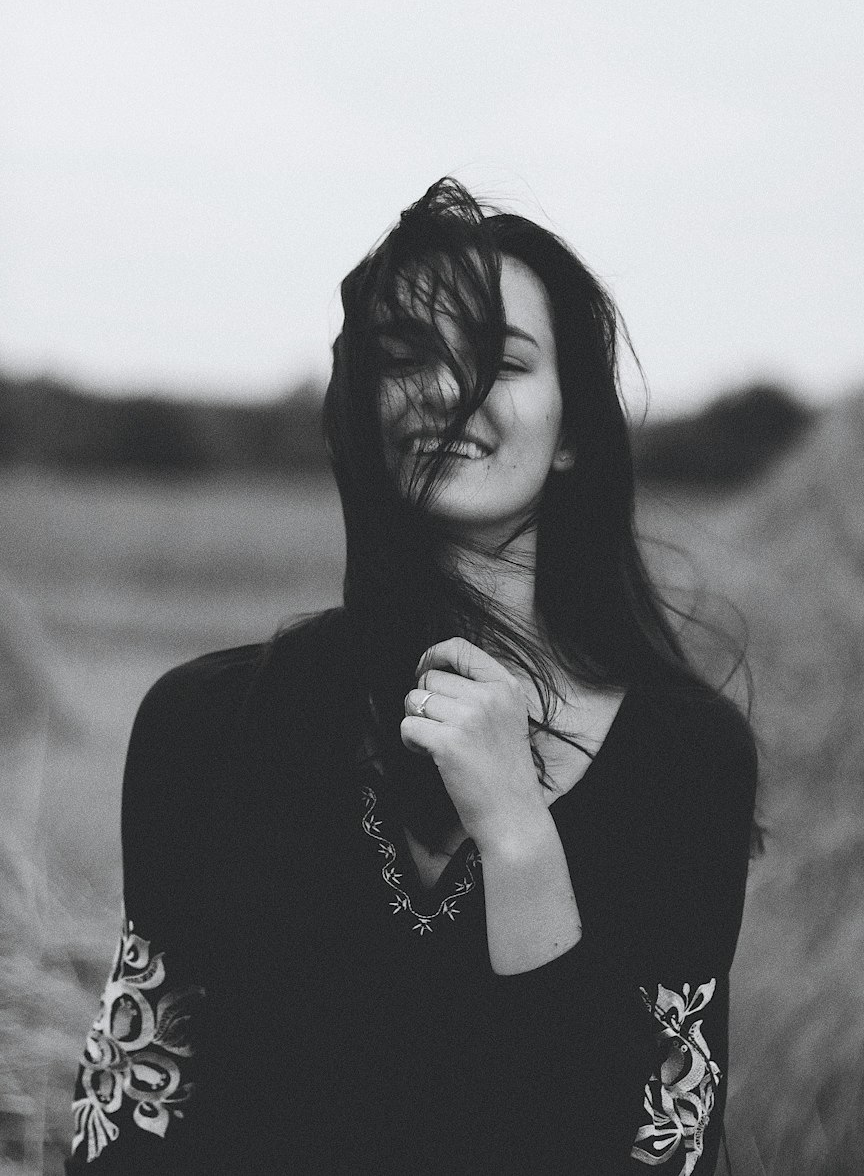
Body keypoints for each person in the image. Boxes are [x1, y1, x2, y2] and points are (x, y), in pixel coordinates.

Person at [66, 178, 760, 1175]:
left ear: (571, 433)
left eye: (501, 360)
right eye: (408, 359)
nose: (446, 389)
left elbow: (652, 1149)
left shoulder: (686, 763)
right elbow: (130, 1113)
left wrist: (520, 836)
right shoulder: (209, 725)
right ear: (362, 406)